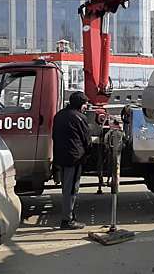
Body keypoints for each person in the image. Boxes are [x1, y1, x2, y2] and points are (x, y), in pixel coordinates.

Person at [52, 91, 92, 230]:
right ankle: (67, 220)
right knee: (71, 190)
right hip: (74, 158)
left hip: (61, 156)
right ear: (80, 104)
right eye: (85, 104)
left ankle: (69, 214)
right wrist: (88, 153)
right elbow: (87, 139)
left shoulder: (59, 115)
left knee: (65, 188)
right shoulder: (79, 118)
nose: (86, 106)